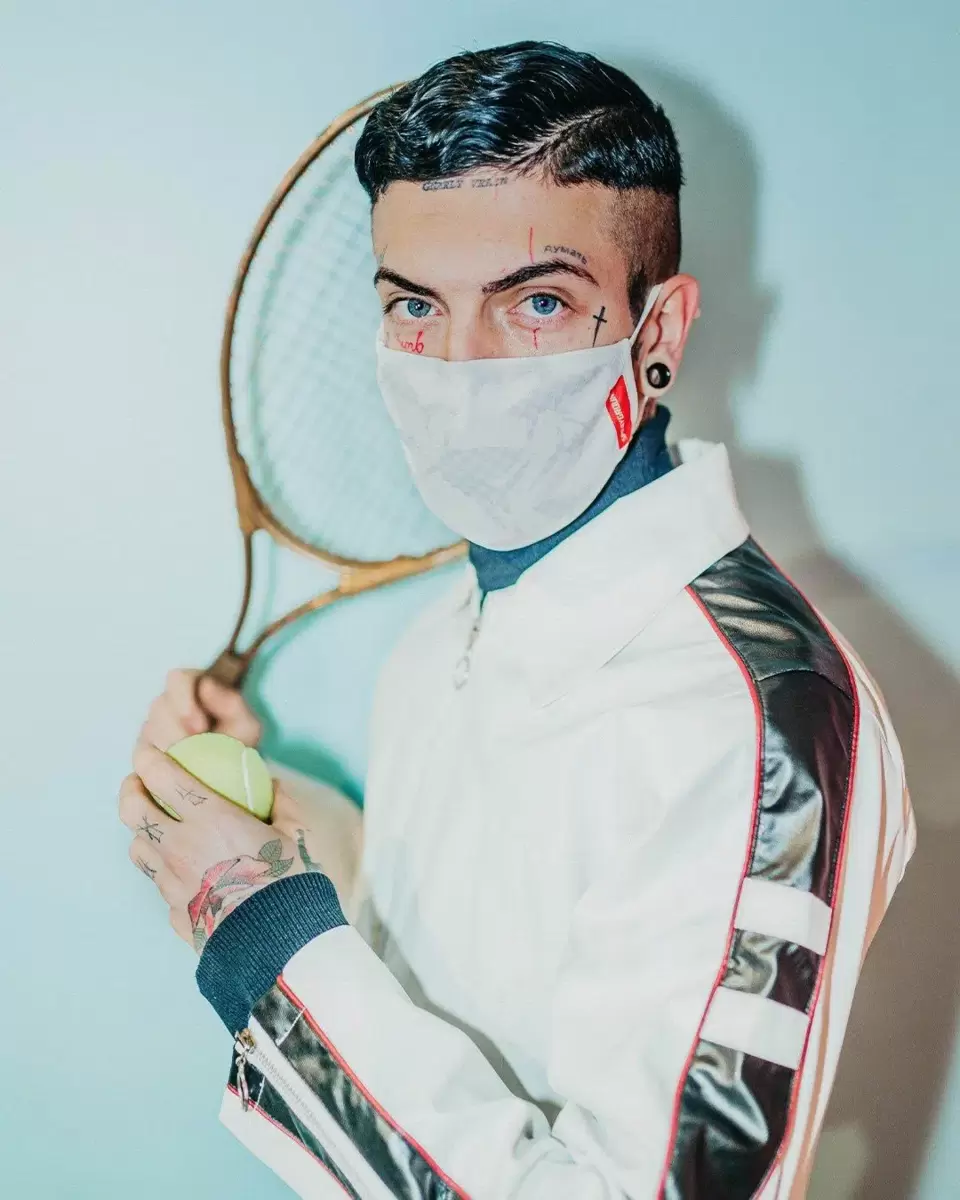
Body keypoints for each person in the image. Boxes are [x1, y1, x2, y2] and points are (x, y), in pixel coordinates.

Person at [119, 40, 916, 1199]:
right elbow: (438, 948)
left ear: (659, 333)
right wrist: (270, 829)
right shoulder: (445, 631)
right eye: (413, 306)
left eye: (536, 302)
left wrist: (258, 931)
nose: (458, 366)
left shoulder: (766, 725)